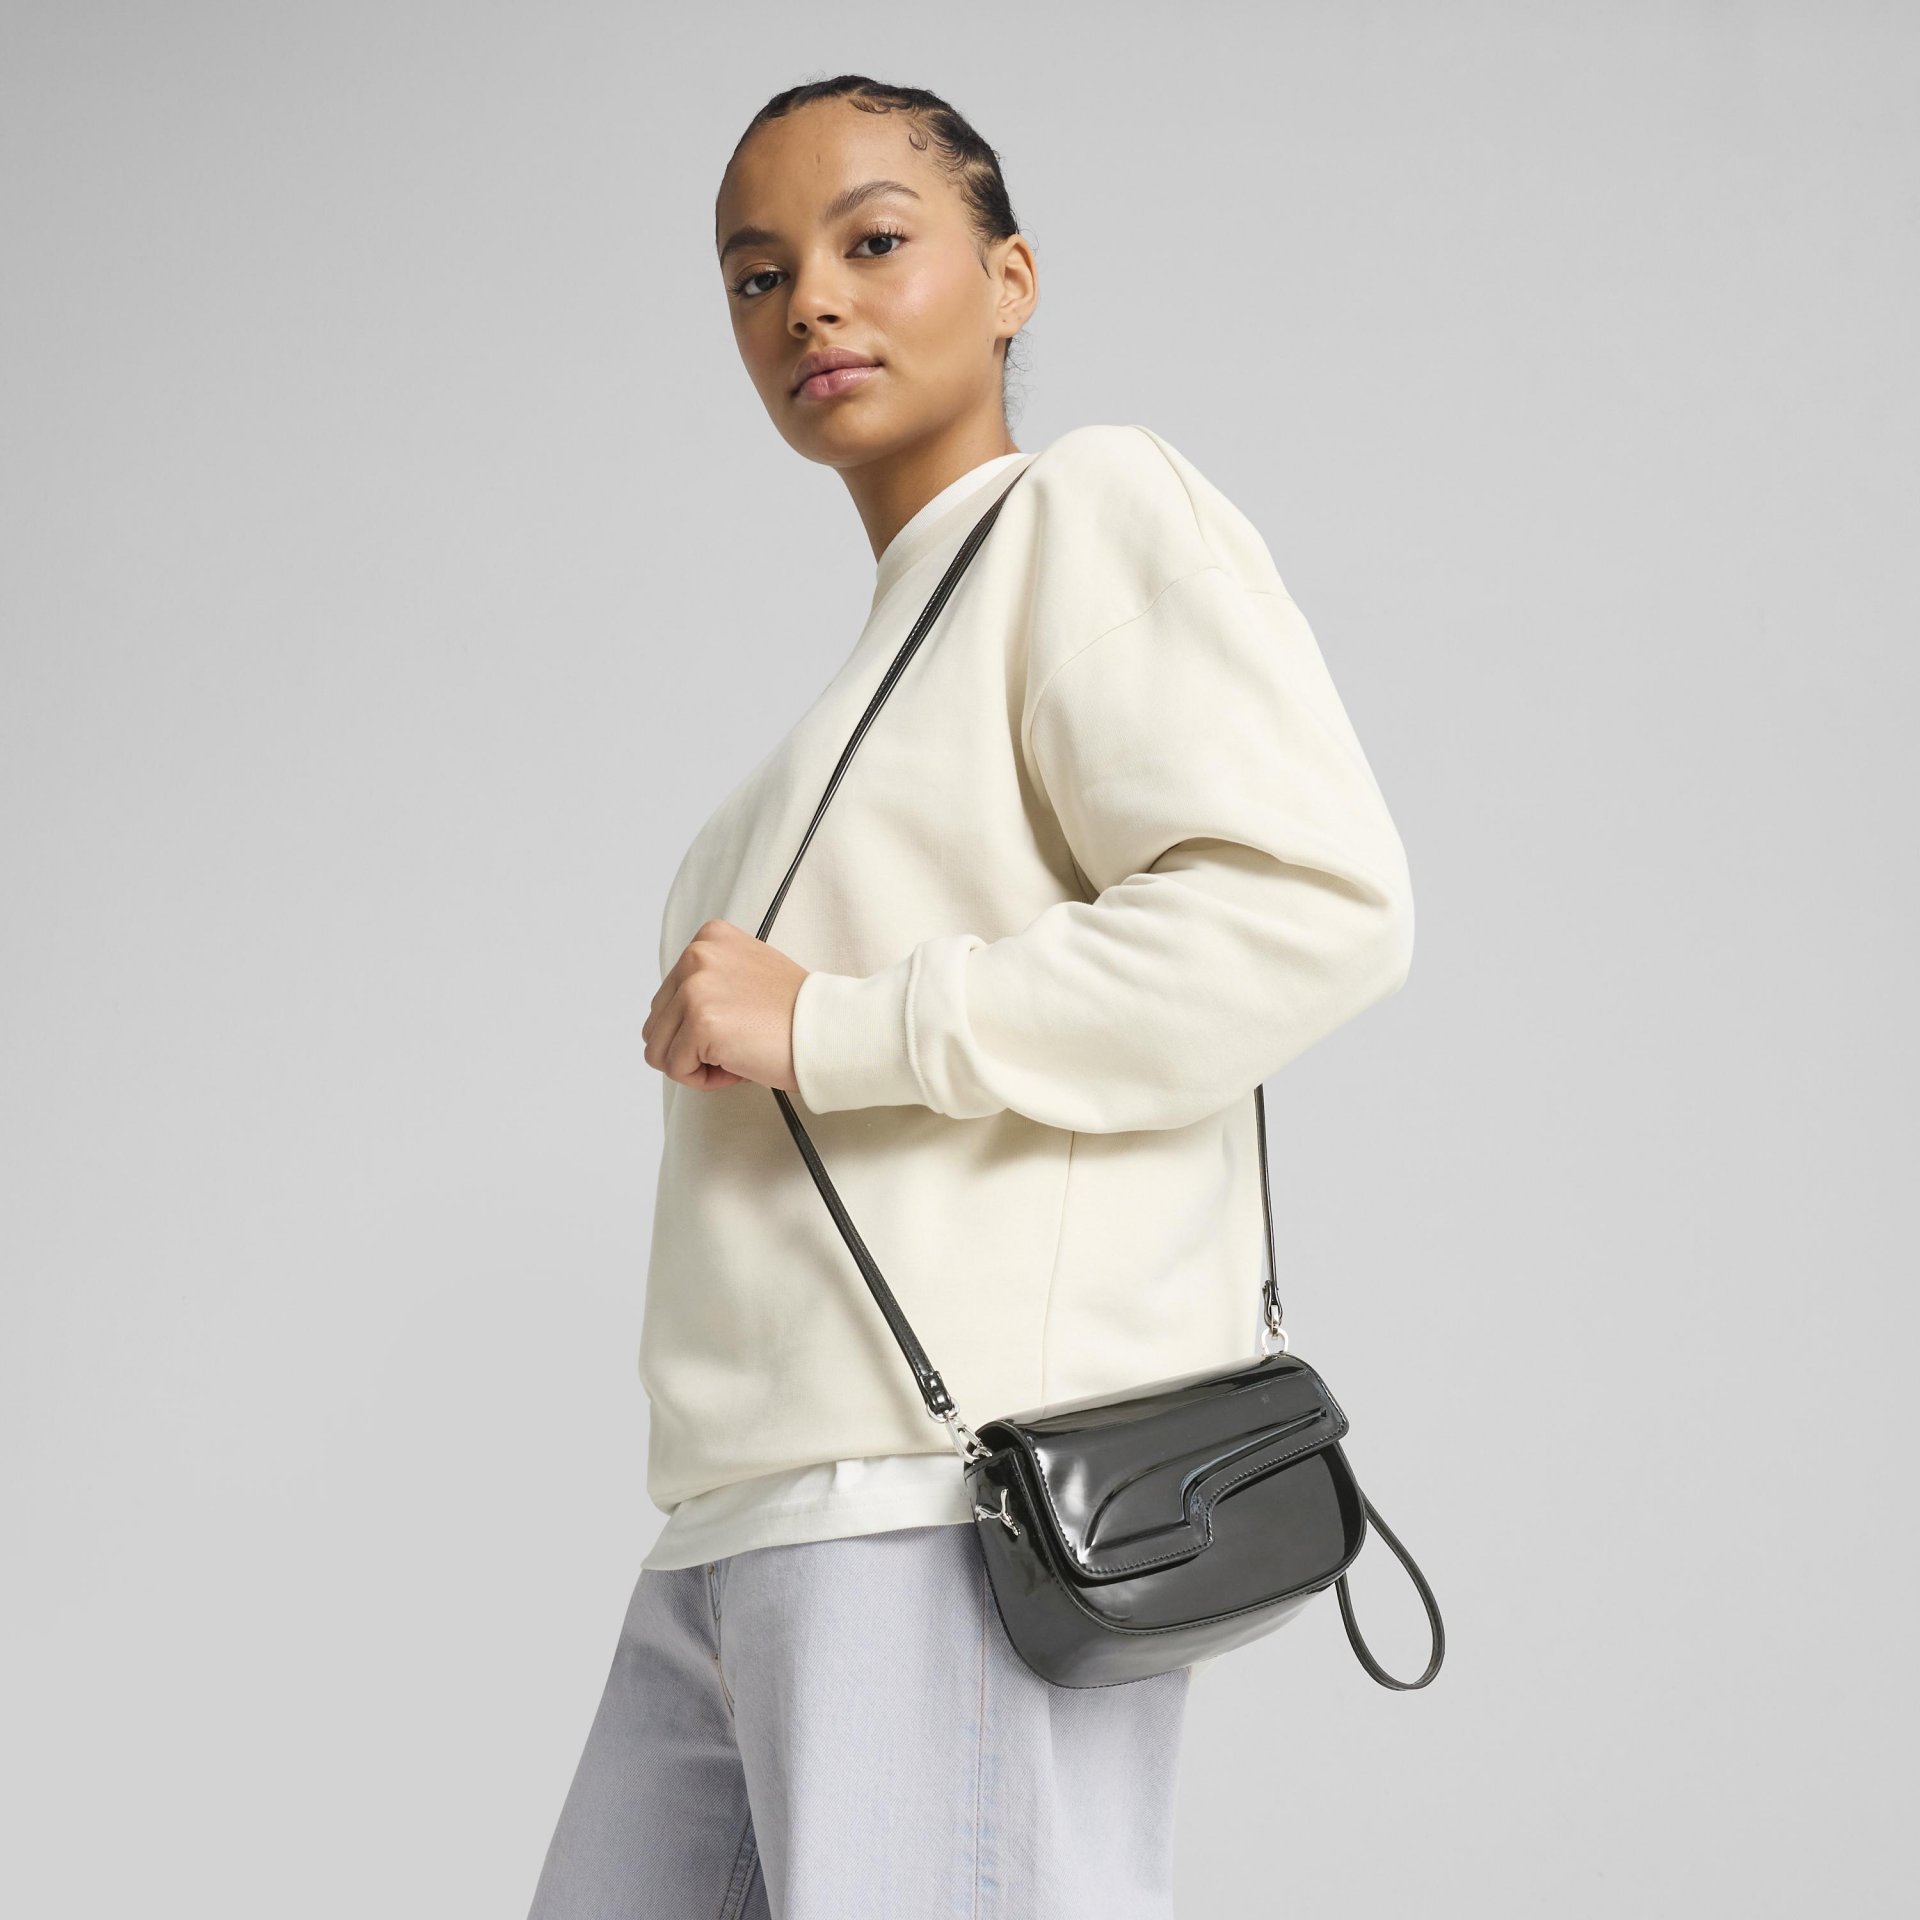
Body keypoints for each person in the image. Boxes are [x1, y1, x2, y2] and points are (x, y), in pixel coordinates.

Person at [525, 74, 1414, 1920]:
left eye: (873, 241)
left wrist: (829, 1026)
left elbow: (1307, 908)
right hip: (740, 1524)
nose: (810, 304)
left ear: (1011, 279)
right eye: (757, 276)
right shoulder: (840, 710)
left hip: (943, 1515)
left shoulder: (1089, 512)